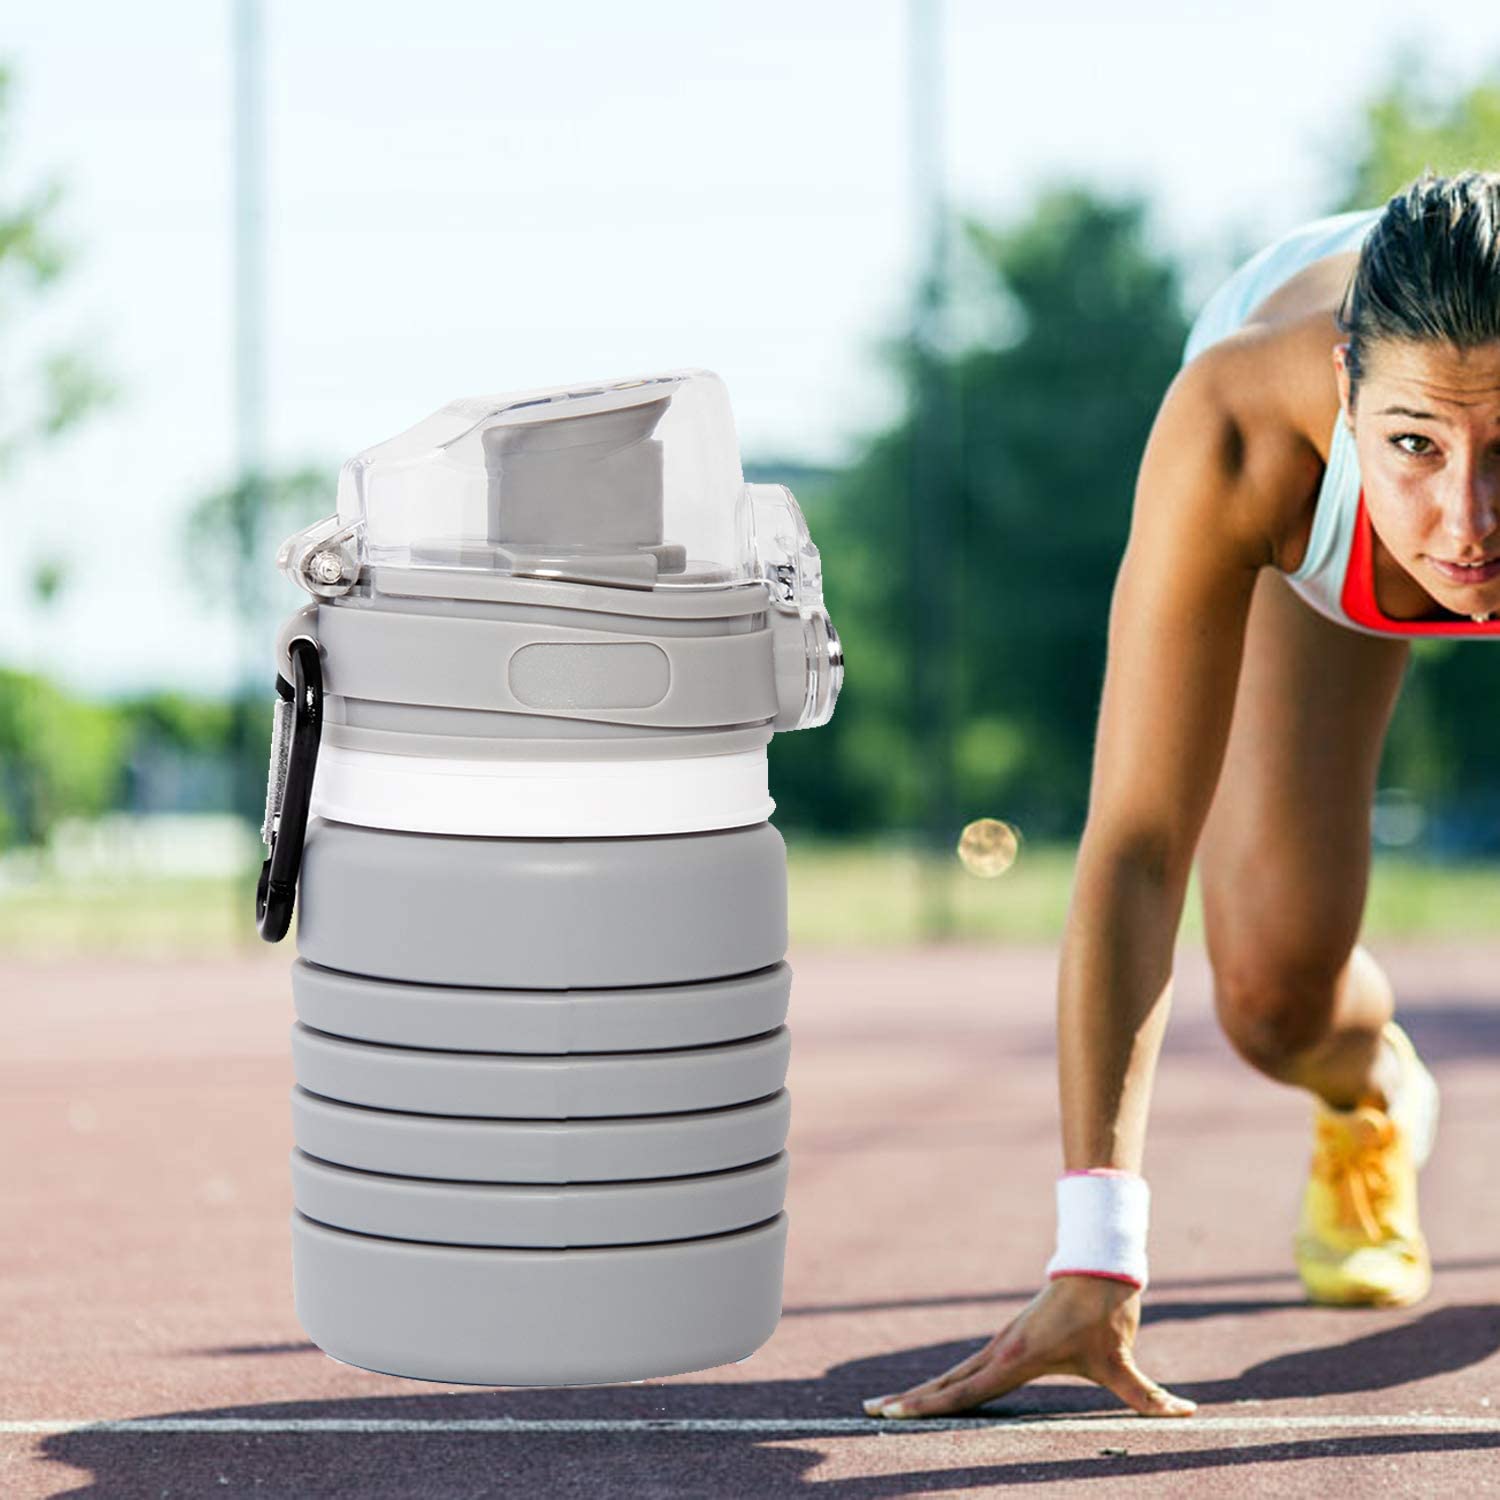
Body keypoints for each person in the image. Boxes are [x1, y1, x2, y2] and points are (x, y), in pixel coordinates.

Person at [864, 169, 1499, 1421]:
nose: (1468, 520)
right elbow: (1141, 845)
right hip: (1311, 532)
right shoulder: (1243, 430)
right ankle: (1373, 1094)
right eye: (1415, 446)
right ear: (1342, 397)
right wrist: (1097, 1248)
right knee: (1269, 999)